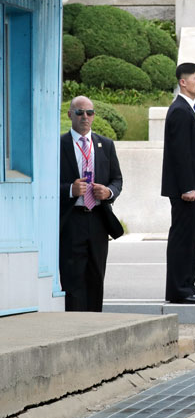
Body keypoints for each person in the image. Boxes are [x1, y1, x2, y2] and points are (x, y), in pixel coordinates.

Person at [59, 96, 124, 311]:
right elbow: (46, 182)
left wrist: (108, 192)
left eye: (89, 113)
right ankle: (75, 324)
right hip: (72, 220)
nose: (85, 117)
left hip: (98, 218)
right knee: (73, 278)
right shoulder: (59, 145)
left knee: (96, 276)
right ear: (70, 115)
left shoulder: (105, 144)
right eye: (79, 112)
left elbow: (117, 179)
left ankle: (95, 323)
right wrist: (70, 189)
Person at [162, 62, 195, 305]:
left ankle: (188, 284)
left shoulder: (189, 108)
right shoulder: (180, 111)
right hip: (187, 190)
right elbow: (179, 153)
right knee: (183, 238)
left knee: (192, 238)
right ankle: (178, 289)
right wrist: (187, 186)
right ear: (183, 82)